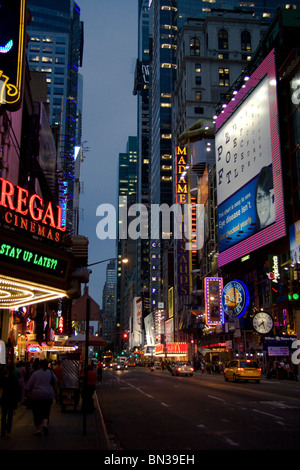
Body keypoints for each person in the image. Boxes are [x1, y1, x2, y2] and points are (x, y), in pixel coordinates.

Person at [25, 359, 58, 436]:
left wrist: (27, 394)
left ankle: (38, 429)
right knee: (46, 411)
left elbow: (29, 385)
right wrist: (56, 394)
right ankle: (45, 424)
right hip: (48, 395)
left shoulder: (35, 373)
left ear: (39, 365)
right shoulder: (51, 373)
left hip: (36, 395)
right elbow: (55, 383)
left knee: (36, 412)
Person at [1, 364, 20, 438]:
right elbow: (17, 390)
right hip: (12, 399)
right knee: (10, 415)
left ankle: (3, 430)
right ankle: (8, 430)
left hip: (4, 398)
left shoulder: (3, 379)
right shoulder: (14, 379)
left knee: (3, 415)